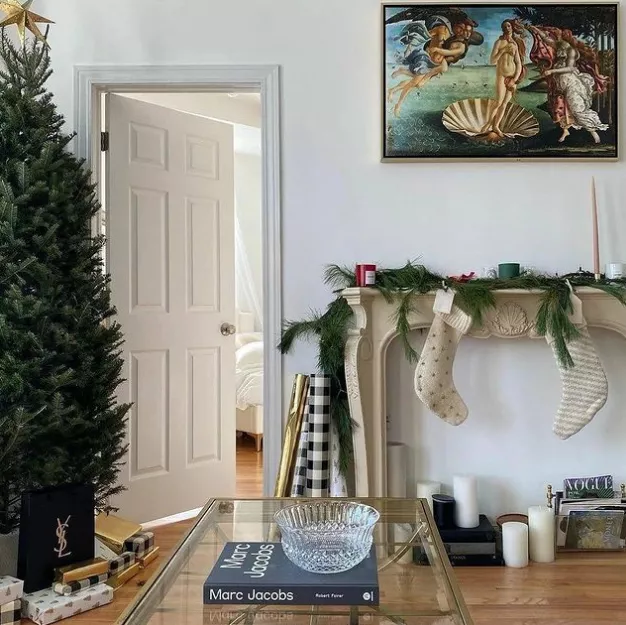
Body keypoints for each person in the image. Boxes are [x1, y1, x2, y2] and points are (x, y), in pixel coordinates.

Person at [527, 25, 608, 144]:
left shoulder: (571, 50)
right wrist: (534, 30)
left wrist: (552, 71)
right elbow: (545, 38)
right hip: (560, 82)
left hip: (570, 82)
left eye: (556, 35)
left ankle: (595, 134)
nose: (553, 38)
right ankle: (565, 131)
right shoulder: (559, 45)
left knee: (576, 109)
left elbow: (570, 68)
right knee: (559, 107)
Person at [387, 18, 483, 117]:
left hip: (434, 65)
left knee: (417, 83)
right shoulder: (445, 31)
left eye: (467, 31)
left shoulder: (459, 44)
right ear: (456, 25)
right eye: (461, 28)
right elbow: (424, 36)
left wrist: (437, 50)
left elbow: (448, 53)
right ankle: (398, 105)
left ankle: (395, 85)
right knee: (414, 83)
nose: (462, 32)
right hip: (427, 60)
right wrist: (411, 46)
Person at [481, 20, 527, 137]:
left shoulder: (515, 44)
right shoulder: (499, 42)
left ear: (512, 27)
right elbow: (492, 60)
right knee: (498, 102)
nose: (507, 28)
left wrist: (514, 79)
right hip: (501, 75)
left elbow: (518, 63)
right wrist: (503, 50)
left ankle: (496, 126)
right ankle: (487, 125)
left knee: (505, 104)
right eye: (505, 26)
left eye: (509, 26)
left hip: (512, 77)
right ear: (502, 29)